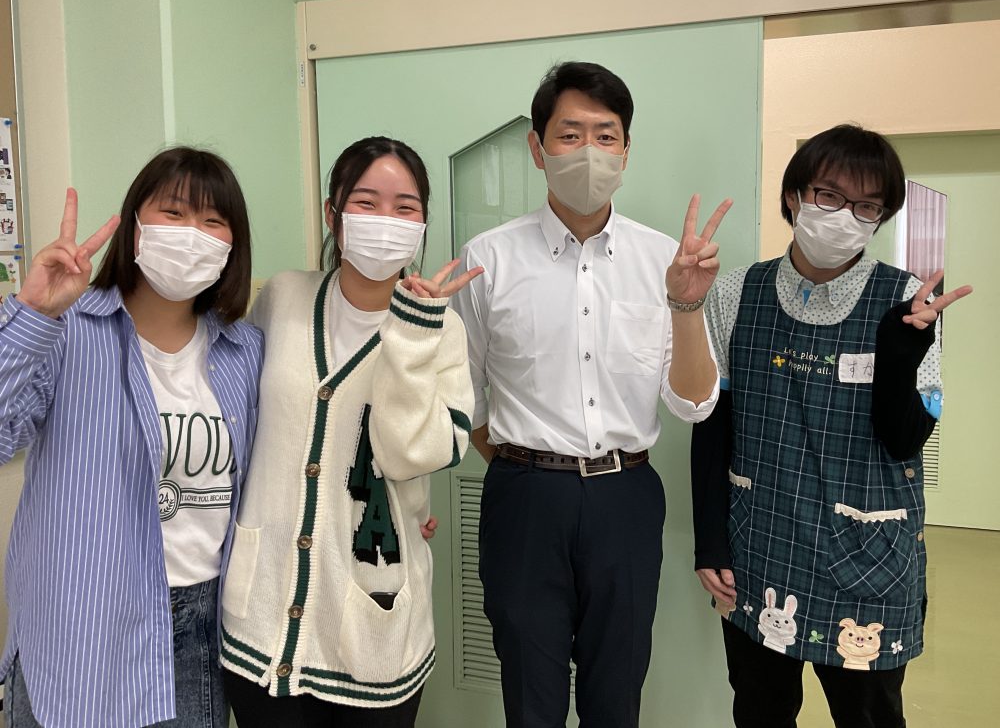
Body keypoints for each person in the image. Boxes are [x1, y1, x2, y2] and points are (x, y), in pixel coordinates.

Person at [451, 61, 730, 728]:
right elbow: (465, 394)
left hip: (625, 498)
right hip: (524, 499)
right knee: (531, 696)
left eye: (606, 136)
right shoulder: (487, 258)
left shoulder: (663, 260)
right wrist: (525, 469)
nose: (589, 152)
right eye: (570, 134)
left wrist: (687, 306)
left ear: (626, 152)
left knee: (616, 695)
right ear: (537, 147)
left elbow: (694, 404)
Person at [690, 124, 974, 728]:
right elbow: (712, 425)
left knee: (869, 717)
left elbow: (905, 440)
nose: (845, 216)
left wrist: (900, 355)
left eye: (866, 206)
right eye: (829, 196)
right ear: (794, 197)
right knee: (760, 711)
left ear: (881, 217)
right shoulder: (736, 291)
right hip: (761, 544)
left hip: (867, 555)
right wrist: (709, 541)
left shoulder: (908, 301)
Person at [220, 136, 480, 728]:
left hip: (369, 620)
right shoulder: (282, 297)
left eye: (405, 207)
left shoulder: (443, 332)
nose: (385, 219)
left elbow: (414, 454)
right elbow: (241, 418)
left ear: (422, 224)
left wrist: (411, 336)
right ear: (333, 213)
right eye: (366, 202)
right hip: (263, 621)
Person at [0, 147, 261, 727]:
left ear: (233, 244)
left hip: (202, 628)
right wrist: (32, 313)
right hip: (80, 627)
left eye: (213, 220)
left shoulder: (243, 351)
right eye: (173, 212)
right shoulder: (68, 329)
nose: (192, 233)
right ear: (136, 222)